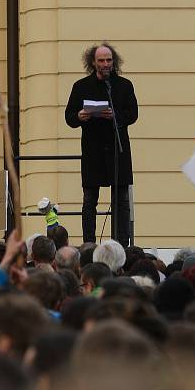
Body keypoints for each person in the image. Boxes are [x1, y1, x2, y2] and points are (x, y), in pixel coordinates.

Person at [65, 43, 138, 246]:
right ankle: (89, 243)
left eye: (109, 60)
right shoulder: (81, 86)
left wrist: (115, 115)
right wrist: (80, 115)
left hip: (117, 149)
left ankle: (122, 243)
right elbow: (69, 117)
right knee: (89, 201)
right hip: (93, 151)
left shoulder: (124, 85)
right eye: (101, 61)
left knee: (121, 201)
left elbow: (133, 114)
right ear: (93, 62)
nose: (106, 64)